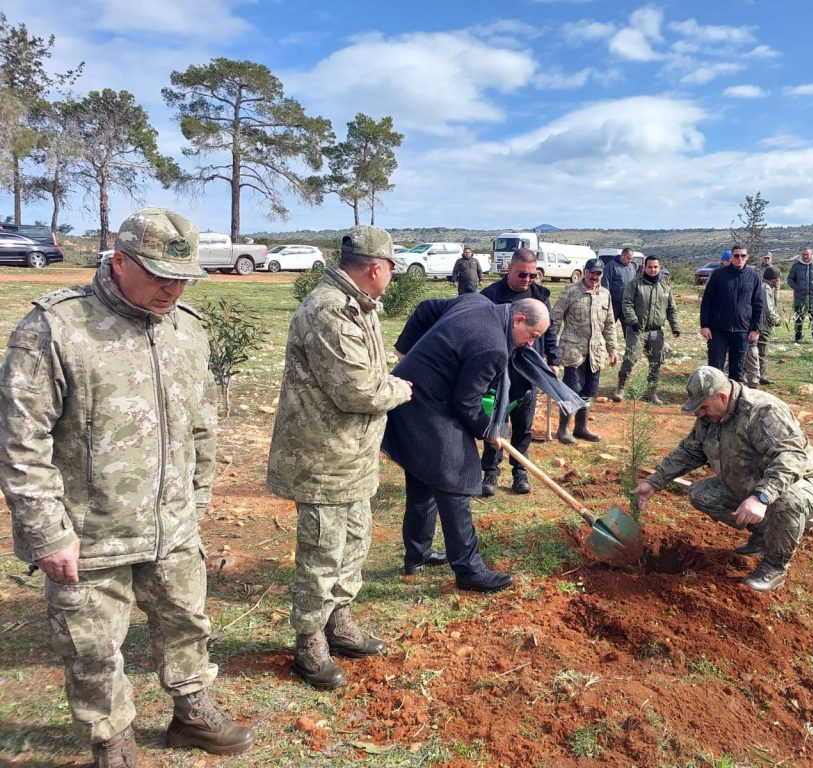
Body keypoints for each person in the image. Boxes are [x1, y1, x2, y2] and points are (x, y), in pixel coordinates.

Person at [0, 208, 254, 767]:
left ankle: (191, 712)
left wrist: (198, 498)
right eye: (161, 273)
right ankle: (111, 740)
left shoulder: (186, 328)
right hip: (91, 533)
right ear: (119, 261)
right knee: (92, 647)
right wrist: (46, 532)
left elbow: (202, 422)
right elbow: (22, 441)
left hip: (173, 523)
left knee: (187, 622)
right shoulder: (57, 328)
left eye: (183, 275)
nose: (174, 287)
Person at [266, 226, 413, 691]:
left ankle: (338, 621)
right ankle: (309, 641)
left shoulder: (360, 307)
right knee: (322, 552)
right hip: (324, 458)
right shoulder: (329, 310)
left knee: (354, 541)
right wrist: (401, 389)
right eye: (390, 267)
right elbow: (358, 389)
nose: (391, 275)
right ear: (376, 268)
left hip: (353, 454)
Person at [383, 297, 553, 593]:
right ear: (518, 321)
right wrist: (489, 430)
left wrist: (408, 355)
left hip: (409, 393)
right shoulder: (493, 348)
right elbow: (466, 403)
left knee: (424, 476)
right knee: (456, 478)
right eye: (532, 336)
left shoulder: (476, 302)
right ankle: (469, 570)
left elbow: (427, 309)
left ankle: (417, 553)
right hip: (423, 403)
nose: (529, 345)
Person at [632, 367, 813, 591]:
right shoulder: (710, 418)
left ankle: (775, 566)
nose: (700, 414)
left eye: (703, 407)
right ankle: (762, 535)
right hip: (753, 481)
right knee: (702, 494)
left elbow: (792, 457)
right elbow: (690, 451)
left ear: (722, 397)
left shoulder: (763, 411)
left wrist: (761, 497)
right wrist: (655, 482)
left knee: (788, 500)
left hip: (806, 483)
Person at [478, 248, 560, 495]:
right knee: (496, 421)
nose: (527, 280)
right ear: (509, 269)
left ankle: (520, 472)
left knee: (523, 425)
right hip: (498, 370)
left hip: (528, 369)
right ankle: (490, 473)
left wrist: (553, 359)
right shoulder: (491, 295)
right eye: (522, 274)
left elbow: (550, 329)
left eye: (532, 275)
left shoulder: (540, 296)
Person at [550, 258, 618, 444]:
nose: (595, 277)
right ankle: (563, 430)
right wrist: (550, 349)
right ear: (585, 272)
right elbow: (555, 320)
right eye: (592, 273)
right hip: (573, 350)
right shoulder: (570, 292)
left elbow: (609, 324)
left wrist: (612, 349)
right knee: (572, 389)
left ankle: (581, 428)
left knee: (589, 389)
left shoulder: (605, 294)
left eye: (599, 273)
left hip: (595, 352)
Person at [614, 255, 682, 404]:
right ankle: (620, 388)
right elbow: (627, 304)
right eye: (650, 267)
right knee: (630, 359)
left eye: (655, 267)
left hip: (656, 332)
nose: (652, 270)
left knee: (656, 363)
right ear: (644, 268)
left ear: (659, 268)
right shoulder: (634, 285)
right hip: (637, 330)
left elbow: (672, 309)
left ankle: (651, 393)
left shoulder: (665, 288)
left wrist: (675, 327)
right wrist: (633, 320)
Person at [699, 245, 763, 385]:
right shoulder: (719, 274)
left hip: (742, 330)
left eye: (743, 255)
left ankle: (734, 401)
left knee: (737, 370)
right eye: (736, 255)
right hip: (718, 330)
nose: (740, 258)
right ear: (731, 257)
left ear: (747, 257)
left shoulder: (753, 276)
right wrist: (704, 325)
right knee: (715, 369)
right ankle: (713, 400)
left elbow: (758, 304)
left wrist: (756, 329)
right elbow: (707, 301)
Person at [742, 265, 783, 387]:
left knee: (758, 350)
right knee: (761, 350)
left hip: (762, 324)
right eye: (778, 278)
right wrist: (777, 320)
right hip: (763, 324)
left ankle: (757, 375)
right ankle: (759, 376)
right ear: (773, 278)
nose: (779, 281)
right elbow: (767, 308)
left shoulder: (767, 287)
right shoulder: (765, 288)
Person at [787, 248, 813, 343]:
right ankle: (798, 336)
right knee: (799, 318)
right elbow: (790, 279)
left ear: (811, 254)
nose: (805, 256)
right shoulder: (796, 266)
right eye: (803, 254)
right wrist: (797, 287)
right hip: (800, 296)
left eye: (807, 254)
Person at [600, 247, 638, 331]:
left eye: (631, 259)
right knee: (608, 326)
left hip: (627, 304)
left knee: (628, 328)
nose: (630, 260)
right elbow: (605, 284)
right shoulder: (611, 265)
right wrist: (606, 301)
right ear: (622, 256)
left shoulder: (631, 267)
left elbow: (634, 283)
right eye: (628, 258)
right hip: (614, 303)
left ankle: (629, 344)